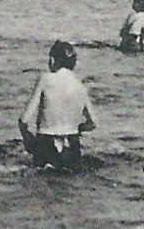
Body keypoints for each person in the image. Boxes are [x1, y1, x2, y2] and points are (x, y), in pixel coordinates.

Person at [18, 40, 97, 171]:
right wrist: (77, 128)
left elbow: (24, 120)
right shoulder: (80, 86)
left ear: (52, 60)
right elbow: (93, 123)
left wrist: (28, 139)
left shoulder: (45, 79)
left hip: (46, 143)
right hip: (72, 145)